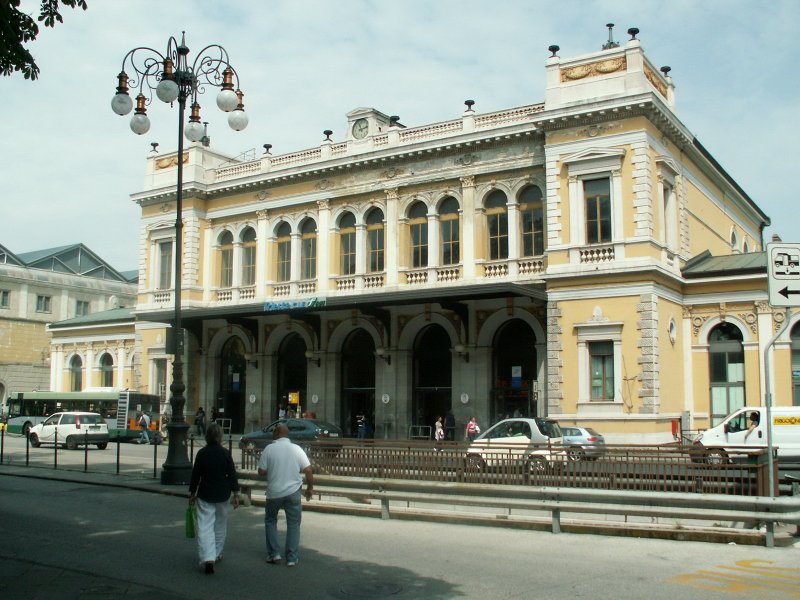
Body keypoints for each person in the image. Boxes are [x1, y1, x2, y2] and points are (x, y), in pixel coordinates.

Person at [257, 423, 314, 567]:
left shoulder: (269, 449)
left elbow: (261, 471)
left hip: (274, 491)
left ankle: (274, 554)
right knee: (294, 524)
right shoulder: (296, 449)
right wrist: (310, 488)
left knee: (270, 521)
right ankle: (292, 557)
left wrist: (272, 470)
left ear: (276, 434)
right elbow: (308, 469)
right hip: (293, 491)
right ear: (287, 435)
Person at [188, 423, 241, 575]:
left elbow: (196, 475)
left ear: (207, 436)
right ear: (220, 437)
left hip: (205, 492)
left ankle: (207, 557)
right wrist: (236, 493)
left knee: (205, 526)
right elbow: (232, 474)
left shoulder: (202, 453)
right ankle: (217, 553)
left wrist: (192, 493)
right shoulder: (225, 453)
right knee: (220, 524)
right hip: (223, 493)